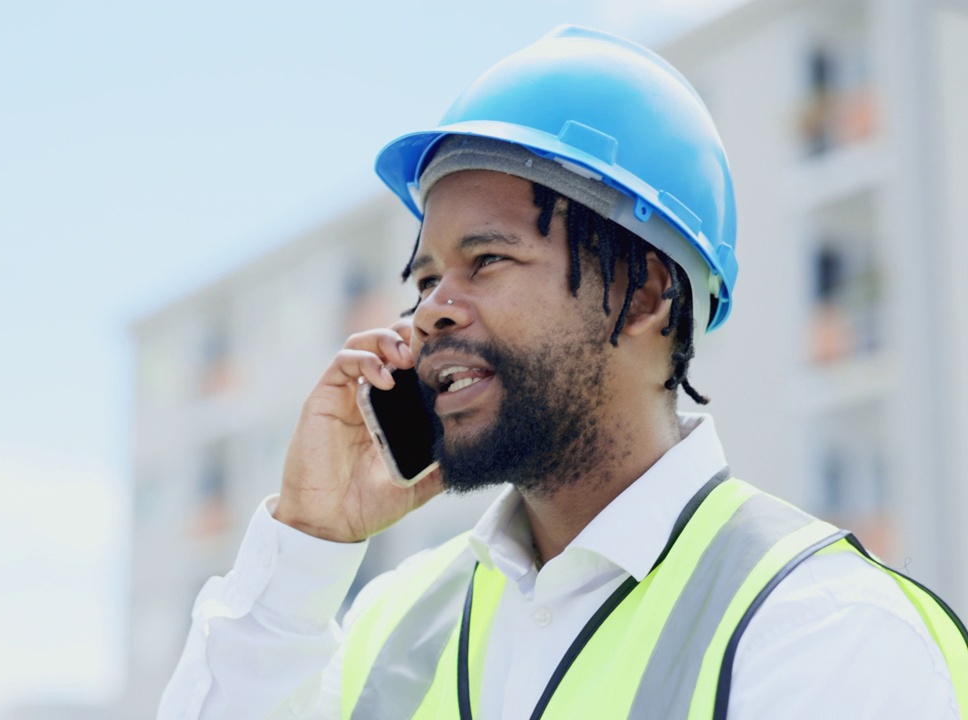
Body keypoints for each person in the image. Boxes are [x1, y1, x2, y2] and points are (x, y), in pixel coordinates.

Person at [158, 25, 967, 719]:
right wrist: (306, 546)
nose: (433, 308)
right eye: (426, 277)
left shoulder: (820, 627)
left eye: (488, 259)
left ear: (647, 293)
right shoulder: (387, 624)